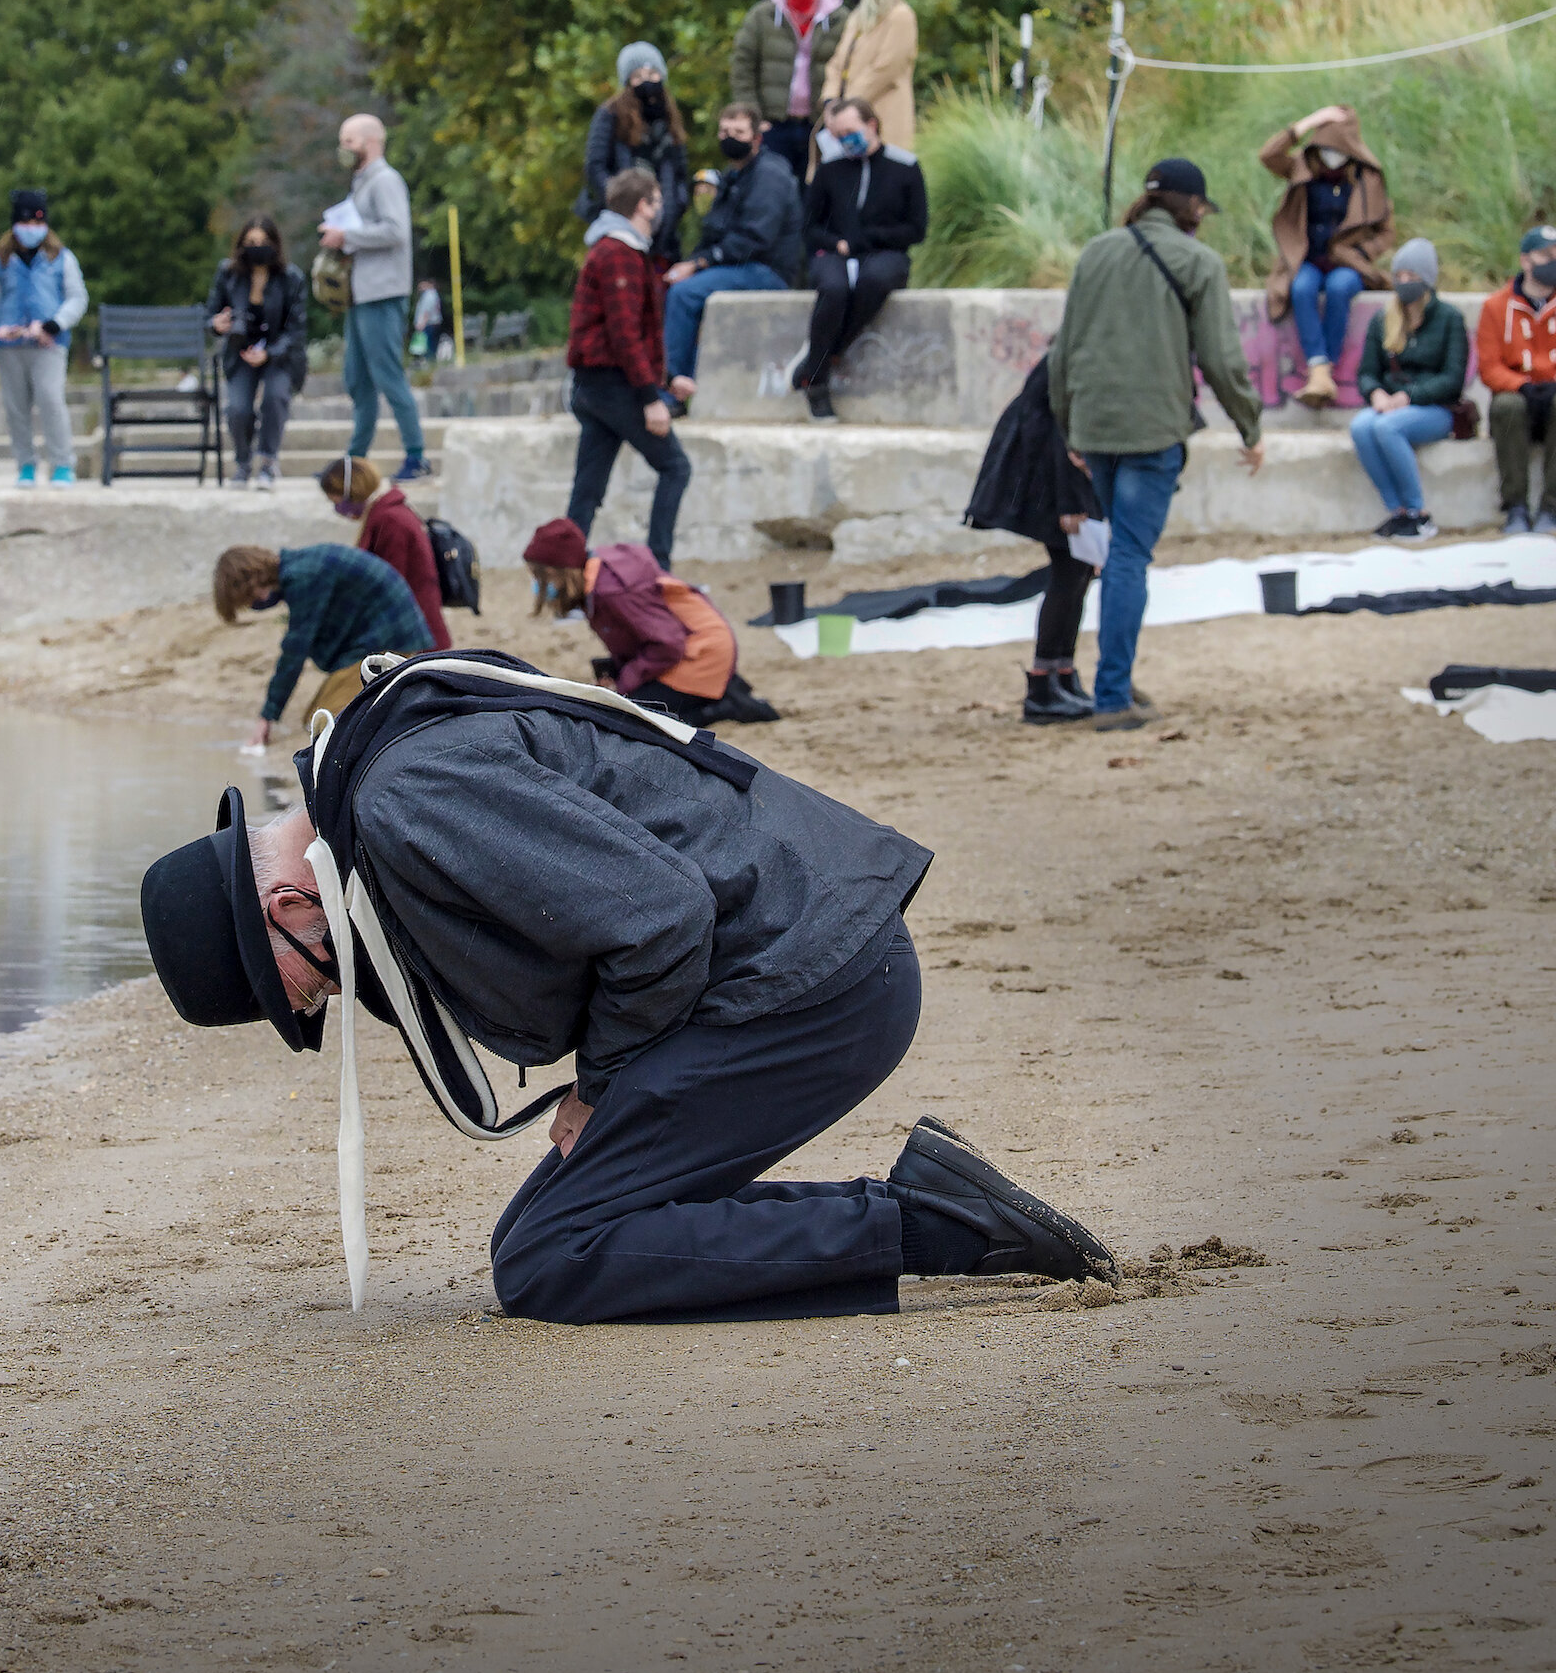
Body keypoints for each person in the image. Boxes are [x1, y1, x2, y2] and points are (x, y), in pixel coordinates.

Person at [138, 648, 1119, 1326]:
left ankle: (938, 1226)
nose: (318, 1004)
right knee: (534, 1240)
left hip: (810, 982)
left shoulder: (402, 800)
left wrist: (600, 1084)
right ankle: (934, 1201)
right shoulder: (381, 776)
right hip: (794, 961)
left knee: (548, 1260)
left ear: (282, 900)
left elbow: (660, 920)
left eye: (297, 992)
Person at [1046, 157, 1264, 729]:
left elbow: (1063, 351)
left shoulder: (1097, 251)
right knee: (1128, 559)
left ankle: (1117, 677)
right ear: (1192, 206)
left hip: (1095, 424)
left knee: (1119, 553)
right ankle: (1112, 695)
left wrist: (1069, 425)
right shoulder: (1198, 261)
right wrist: (1250, 426)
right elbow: (1221, 358)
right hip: (1152, 429)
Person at [524, 517, 777, 727]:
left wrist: (624, 684)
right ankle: (719, 690)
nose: (540, 586)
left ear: (563, 571)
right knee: (621, 697)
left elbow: (667, 645)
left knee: (638, 721)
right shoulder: (596, 572)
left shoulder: (612, 590)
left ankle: (723, 706)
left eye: (542, 576)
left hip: (700, 652)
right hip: (692, 643)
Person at [963, 355, 1104, 725]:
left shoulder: (1087, 346)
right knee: (1068, 571)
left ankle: (1062, 674)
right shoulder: (1080, 351)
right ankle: (1043, 683)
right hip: (1048, 470)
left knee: (1078, 572)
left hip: (1059, 469)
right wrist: (1071, 501)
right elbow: (1057, 426)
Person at [565, 163, 689, 565]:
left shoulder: (614, 249)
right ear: (643, 206)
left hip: (595, 386)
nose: (662, 209)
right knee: (675, 467)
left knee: (587, 489)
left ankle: (562, 583)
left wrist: (666, 379)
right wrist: (650, 397)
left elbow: (626, 333)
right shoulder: (619, 253)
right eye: (657, 201)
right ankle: (659, 570)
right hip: (613, 386)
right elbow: (623, 335)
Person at [215, 539, 435, 748]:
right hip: (374, 637)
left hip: (392, 637)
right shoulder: (299, 567)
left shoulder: (303, 578)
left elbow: (294, 652)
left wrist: (267, 717)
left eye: (249, 599)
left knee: (327, 723)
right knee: (315, 718)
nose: (256, 604)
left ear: (253, 583)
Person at [792, 99, 927, 420]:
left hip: (884, 253)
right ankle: (818, 384)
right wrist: (836, 243)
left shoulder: (904, 166)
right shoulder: (830, 169)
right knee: (833, 289)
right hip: (835, 253)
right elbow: (810, 226)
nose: (844, 140)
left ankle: (820, 360)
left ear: (872, 125)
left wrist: (867, 240)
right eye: (838, 135)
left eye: (850, 132)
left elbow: (916, 228)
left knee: (875, 281)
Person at [663, 105, 803, 403]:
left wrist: (700, 263)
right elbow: (713, 232)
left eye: (738, 132)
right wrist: (690, 262)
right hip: (735, 267)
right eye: (724, 131)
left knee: (685, 295)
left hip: (767, 270)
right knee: (667, 283)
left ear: (756, 138)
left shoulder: (770, 176)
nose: (730, 138)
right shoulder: (732, 175)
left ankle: (671, 396)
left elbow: (754, 240)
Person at [1260, 104, 1394, 408]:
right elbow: (1268, 155)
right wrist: (1306, 123)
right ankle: (1318, 369)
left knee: (1339, 288)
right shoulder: (1302, 168)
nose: (1330, 155)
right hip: (1307, 259)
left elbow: (1387, 232)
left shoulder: (1367, 179)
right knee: (1301, 289)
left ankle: (1325, 369)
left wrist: (1362, 252)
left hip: (1347, 263)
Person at [320, 113, 429, 481]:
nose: (343, 149)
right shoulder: (361, 183)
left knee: (387, 374)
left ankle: (416, 455)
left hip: (382, 293)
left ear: (369, 142)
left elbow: (396, 231)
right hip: (360, 294)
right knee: (357, 379)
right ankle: (355, 461)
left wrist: (347, 237)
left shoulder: (385, 180)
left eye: (348, 141)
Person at [1347, 238, 1469, 542]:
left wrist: (1408, 397)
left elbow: (1452, 380)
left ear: (1426, 279)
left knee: (1388, 428)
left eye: (1411, 277)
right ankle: (1397, 510)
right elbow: (1367, 372)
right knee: (1362, 426)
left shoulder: (1449, 319)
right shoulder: (1383, 319)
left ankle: (1418, 513)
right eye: (1399, 276)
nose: (1404, 283)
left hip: (1436, 409)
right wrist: (1375, 393)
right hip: (1391, 403)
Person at [0, 189, 87, 486]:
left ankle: (62, 464)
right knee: (15, 408)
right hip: (10, 345)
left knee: (51, 400)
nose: (33, 229)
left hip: (48, 344)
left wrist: (55, 324)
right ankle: (25, 464)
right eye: (26, 222)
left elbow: (77, 298)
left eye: (39, 223)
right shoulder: (1, 261)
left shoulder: (62, 258)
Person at [206, 214, 309, 491]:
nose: (257, 247)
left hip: (279, 355)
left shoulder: (291, 278)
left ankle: (267, 462)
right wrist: (217, 324)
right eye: (251, 242)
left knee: (275, 397)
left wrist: (271, 353)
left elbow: (296, 330)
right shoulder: (228, 274)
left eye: (263, 242)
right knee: (238, 408)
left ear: (275, 244)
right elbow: (211, 314)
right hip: (240, 352)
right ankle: (242, 462)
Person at [730, 0, 847, 180]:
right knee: (774, 186)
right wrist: (754, 117)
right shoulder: (762, 15)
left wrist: (839, 115)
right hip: (774, 124)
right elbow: (742, 66)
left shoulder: (839, 18)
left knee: (817, 190)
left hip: (819, 124)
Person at [318, 454, 450, 648]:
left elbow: (390, 583)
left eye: (337, 501)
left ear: (352, 490)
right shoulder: (384, 513)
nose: (338, 509)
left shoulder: (389, 520)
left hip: (415, 636)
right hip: (412, 629)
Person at [577, 45, 692, 264]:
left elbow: (680, 174)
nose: (647, 80)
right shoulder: (609, 115)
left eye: (652, 74)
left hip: (665, 230)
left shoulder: (670, 119)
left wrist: (672, 208)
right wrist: (626, 206)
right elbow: (595, 167)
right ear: (627, 81)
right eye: (638, 76)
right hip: (620, 221)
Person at [1478, 225, 1556, 535]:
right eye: (1545, 255)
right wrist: (1521, 385)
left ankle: (1551, 506)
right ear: (1526, 261)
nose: (1552, 261)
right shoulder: (1495, 306)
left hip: (1552, 392)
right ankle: (1516, 508)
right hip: (1517, 393)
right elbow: (1489, 367)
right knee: (1507, 406)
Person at [819, 0, 918, 156]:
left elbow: (885, 70)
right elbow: (838, 63)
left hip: (882, 117)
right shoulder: (857, 19)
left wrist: (847, 107)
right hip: (845, 120)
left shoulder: (900, 17)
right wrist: (830, 101)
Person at [411, 278, 446, 363]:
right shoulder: (434, 294)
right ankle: (431, 360)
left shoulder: (429, 295)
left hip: (429, 323)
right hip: (434, 322)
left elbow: (427, 310)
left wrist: (422, 323)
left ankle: (429, 361)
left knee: (428, 344)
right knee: (432, 344)